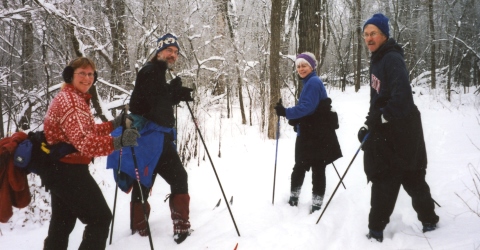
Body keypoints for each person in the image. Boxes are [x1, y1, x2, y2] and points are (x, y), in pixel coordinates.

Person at [42, 57, 140, 249]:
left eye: (90, 74)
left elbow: (85, 131)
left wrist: (114, 124)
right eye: (82, 73)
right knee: (100, 219)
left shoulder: (72, 97)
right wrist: (119, 141)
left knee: (61, 226)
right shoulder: (71, 102)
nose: (87, 78)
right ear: (70, 75)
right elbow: (86, 143)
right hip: (69, 171)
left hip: (58, 169)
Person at [358, 13, 440, 243]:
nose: (369, 38)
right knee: (403, 175)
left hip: (403, 129)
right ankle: (424, 220)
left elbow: (402, 98)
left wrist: (381, 119)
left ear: (384, 35)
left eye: (373, 33)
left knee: (401, 176)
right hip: (390, 127)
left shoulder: (391, 58)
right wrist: (369, 122)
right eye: (366, 34)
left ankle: (423, 223)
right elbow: (378, 99)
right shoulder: (377, 58)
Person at [126, 33, 193, 244]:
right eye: (168, 50)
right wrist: (171, 93)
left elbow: (154, 101)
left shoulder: (156, 72)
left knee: (152, 180)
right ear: (159, 51)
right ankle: (170, 225)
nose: (172, 55)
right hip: (149, 139)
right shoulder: (150, 71)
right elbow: (145, 105)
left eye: (175, 52)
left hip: (158, 139)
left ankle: (142, 225)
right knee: (165, 179)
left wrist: (174, 94)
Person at [275, 52, 342, 213]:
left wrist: (286, 112)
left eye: (304, 65)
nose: (301, 68)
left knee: (303, 168)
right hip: (315, 133)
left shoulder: (312, 82)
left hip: (313, 136)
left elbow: (307, 108)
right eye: (298, 66)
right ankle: (315, 204)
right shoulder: (311, 82)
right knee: (316, 169)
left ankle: (296, 201)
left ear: (312, 66)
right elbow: (312, 109)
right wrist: (297, 121)